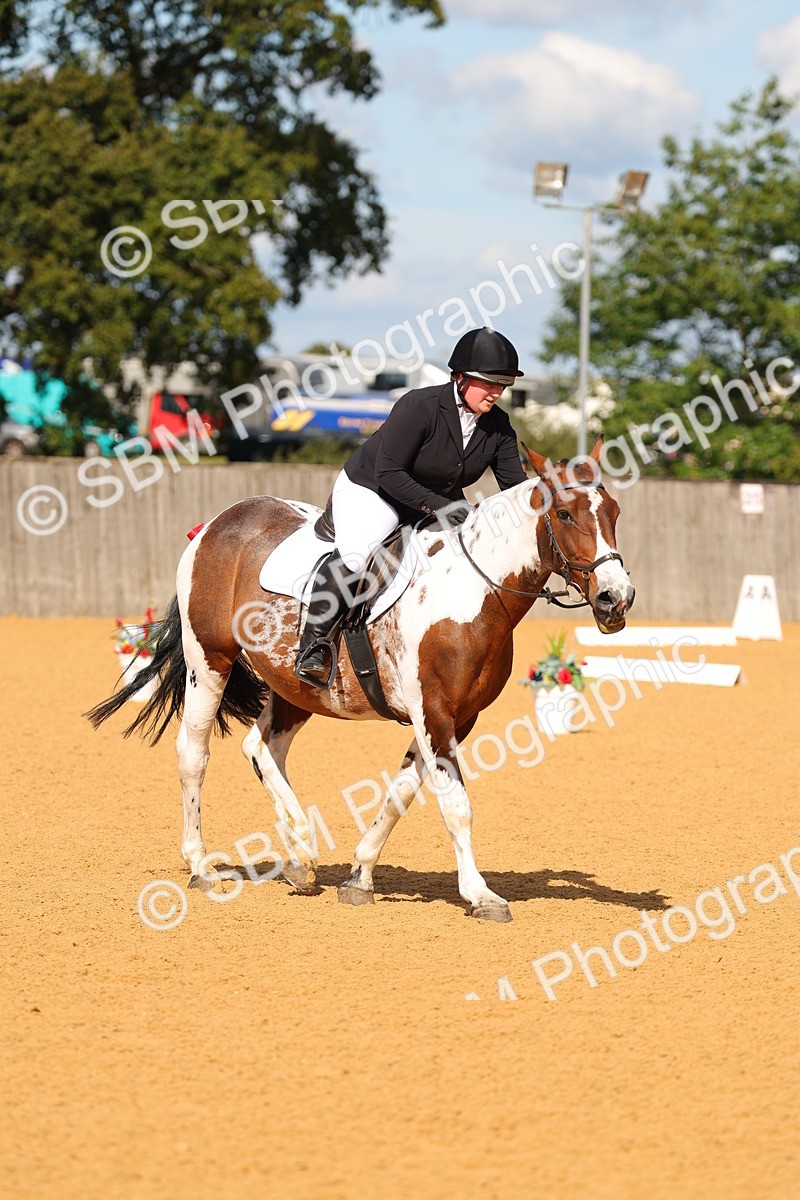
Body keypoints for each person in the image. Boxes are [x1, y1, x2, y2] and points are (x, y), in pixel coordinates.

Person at [294, 326, 528, 685]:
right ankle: (314, 647)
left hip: (433, 498)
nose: (497, 392)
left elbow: (515, 488)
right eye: (489, 382)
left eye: (503, 385)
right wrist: (443, 507)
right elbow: (389, 472)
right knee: (358, 555)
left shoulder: (498, 426)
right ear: (460, 378)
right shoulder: (419, 406)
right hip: (374, 489)